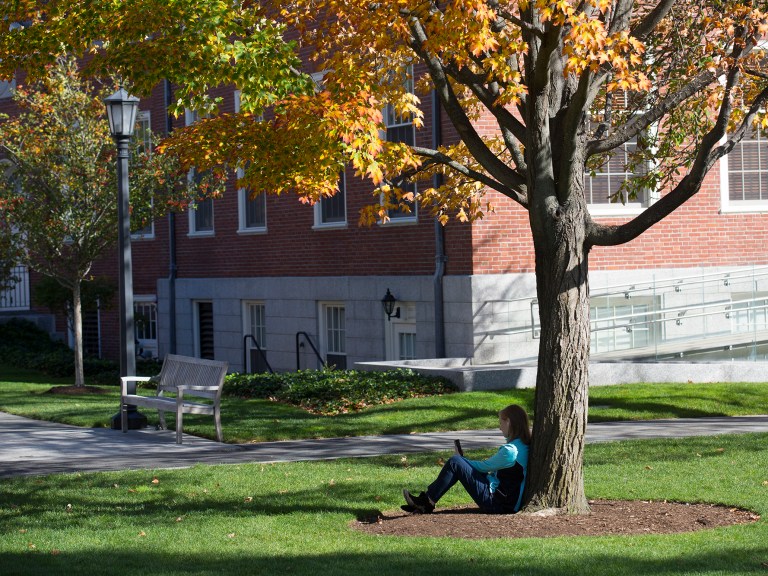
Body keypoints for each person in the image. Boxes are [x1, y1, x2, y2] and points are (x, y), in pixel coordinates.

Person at [402, 404, 531, 514]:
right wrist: (463, 462)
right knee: (458, 463)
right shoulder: (523, 445)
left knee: (455, 462)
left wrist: (461, 460)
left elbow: (483, 467)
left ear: (508, 422)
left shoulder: (510, 451)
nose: (499, 427)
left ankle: (427, 502)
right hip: (506, 503)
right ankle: (427, 501)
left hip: (497, 504)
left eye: (500, 423)